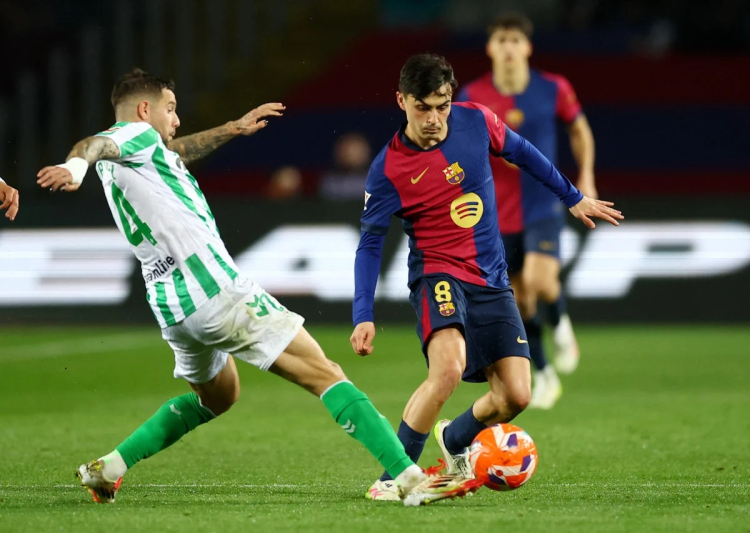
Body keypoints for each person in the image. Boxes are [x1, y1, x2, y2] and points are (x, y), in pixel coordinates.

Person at [36, 68, 475, 507]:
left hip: (173, 306)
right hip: (215, 290)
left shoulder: (136, 155)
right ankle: (409, 477)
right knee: (325, 373)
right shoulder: (131, 135)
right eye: (170, 109)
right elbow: (94, 145)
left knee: (218, 396)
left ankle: (110, 467)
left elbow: (171, 150)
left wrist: (232, 128)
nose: (176, 119)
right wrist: (74, 165)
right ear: (144, 109)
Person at [349, 54, 622, 501]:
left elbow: (524, 153)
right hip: (438, 274)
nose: (434, 118)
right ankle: (392, 477)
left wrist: (572, 197)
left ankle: (455, 440)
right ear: (401, 101)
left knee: (516, 395)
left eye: (442, 105)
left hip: (492, 279)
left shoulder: (476, 121)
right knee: (447, 371)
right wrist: (363, 312)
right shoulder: (388, 169)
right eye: (422, 107)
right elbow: (370, 243)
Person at [457, 13, 598, 409]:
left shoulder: (553, 88)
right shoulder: (472, 94)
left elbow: (579, 130)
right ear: (490, 48)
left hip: (542, 203)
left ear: (527, 47)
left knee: (540, 281)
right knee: (519, 300)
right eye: (501, 40)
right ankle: (545, 373)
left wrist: (586, 175)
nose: (508, 47)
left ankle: (561, 323)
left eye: (515, 40)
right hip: (497, 214)